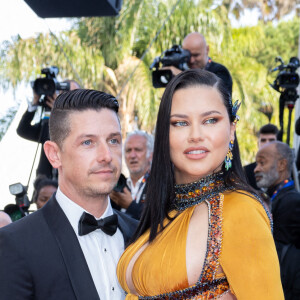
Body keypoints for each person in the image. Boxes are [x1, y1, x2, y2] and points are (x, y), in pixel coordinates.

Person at [117, 69, 284, 299]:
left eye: (210, 120)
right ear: (164, 134)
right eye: (180, 123)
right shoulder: (166, 209)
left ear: (232, 130)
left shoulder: (240, 210)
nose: (195, 135)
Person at [0, 89, 138, 300]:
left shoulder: (143, 235)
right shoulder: (17, 243)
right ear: (54, 155)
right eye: (88, 142)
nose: (106, 156)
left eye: (113, 140)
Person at [254, 141, 300, 299]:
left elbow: (278, 256)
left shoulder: (291, 202)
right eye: (256, 163)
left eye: (262, 162)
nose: (256, 169)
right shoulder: (275, 197)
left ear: (281, 165)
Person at [16, 79, 81, 179]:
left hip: (71, 181)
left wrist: (60, 113)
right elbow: (23, 131)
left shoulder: (84, 121)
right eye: (64, 92)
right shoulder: (49, 121)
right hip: (44, 183)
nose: (69, 96)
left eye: (74, 93)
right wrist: (35, 103)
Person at [168, 32, 232, 95]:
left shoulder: (221, 71)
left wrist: (181, 77)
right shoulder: (182, 69)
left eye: (196, 55)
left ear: (207, 50)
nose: (191, 60)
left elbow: (213, 95)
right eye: (188, 56)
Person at [110, 130, 154, 219]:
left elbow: (161, 222)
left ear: (151, 155)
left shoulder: (161, 185)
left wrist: (131, 206)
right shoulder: (120, 185)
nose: (132, 155)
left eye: (138, 150)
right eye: (128, 150)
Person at [244, 123, 278, 189]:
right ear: (258, 144)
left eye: (271, 140)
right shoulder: (247, 171)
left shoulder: (285, 171)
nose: (267, 143)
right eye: (263, 140)